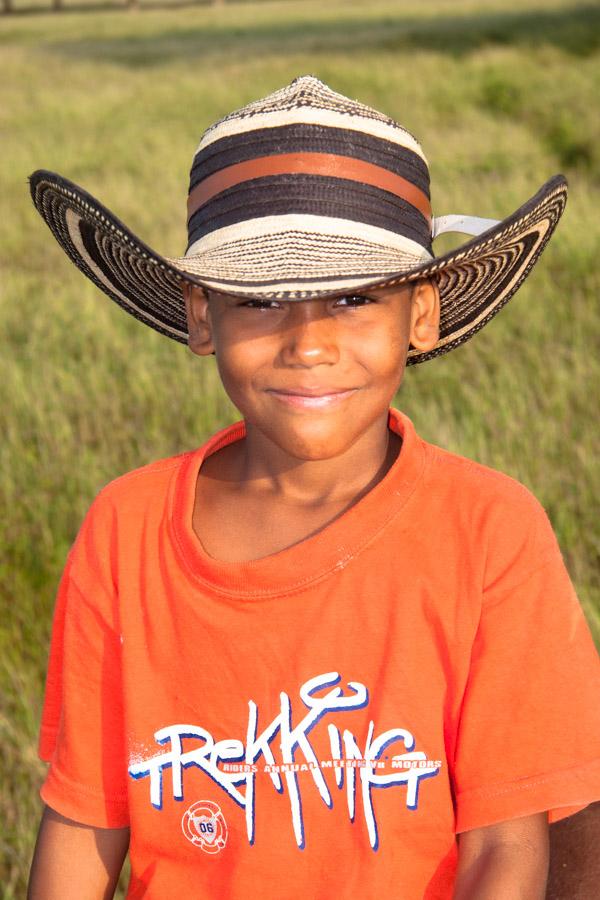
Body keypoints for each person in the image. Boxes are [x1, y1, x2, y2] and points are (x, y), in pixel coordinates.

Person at [26, 76, 600, 899]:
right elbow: (84, 824)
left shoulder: (488, 531)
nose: (309, 344)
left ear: (423, 316)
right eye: (262, 298)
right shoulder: (126, 530)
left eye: (355, 297)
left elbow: (506, 851)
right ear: (200, 315)